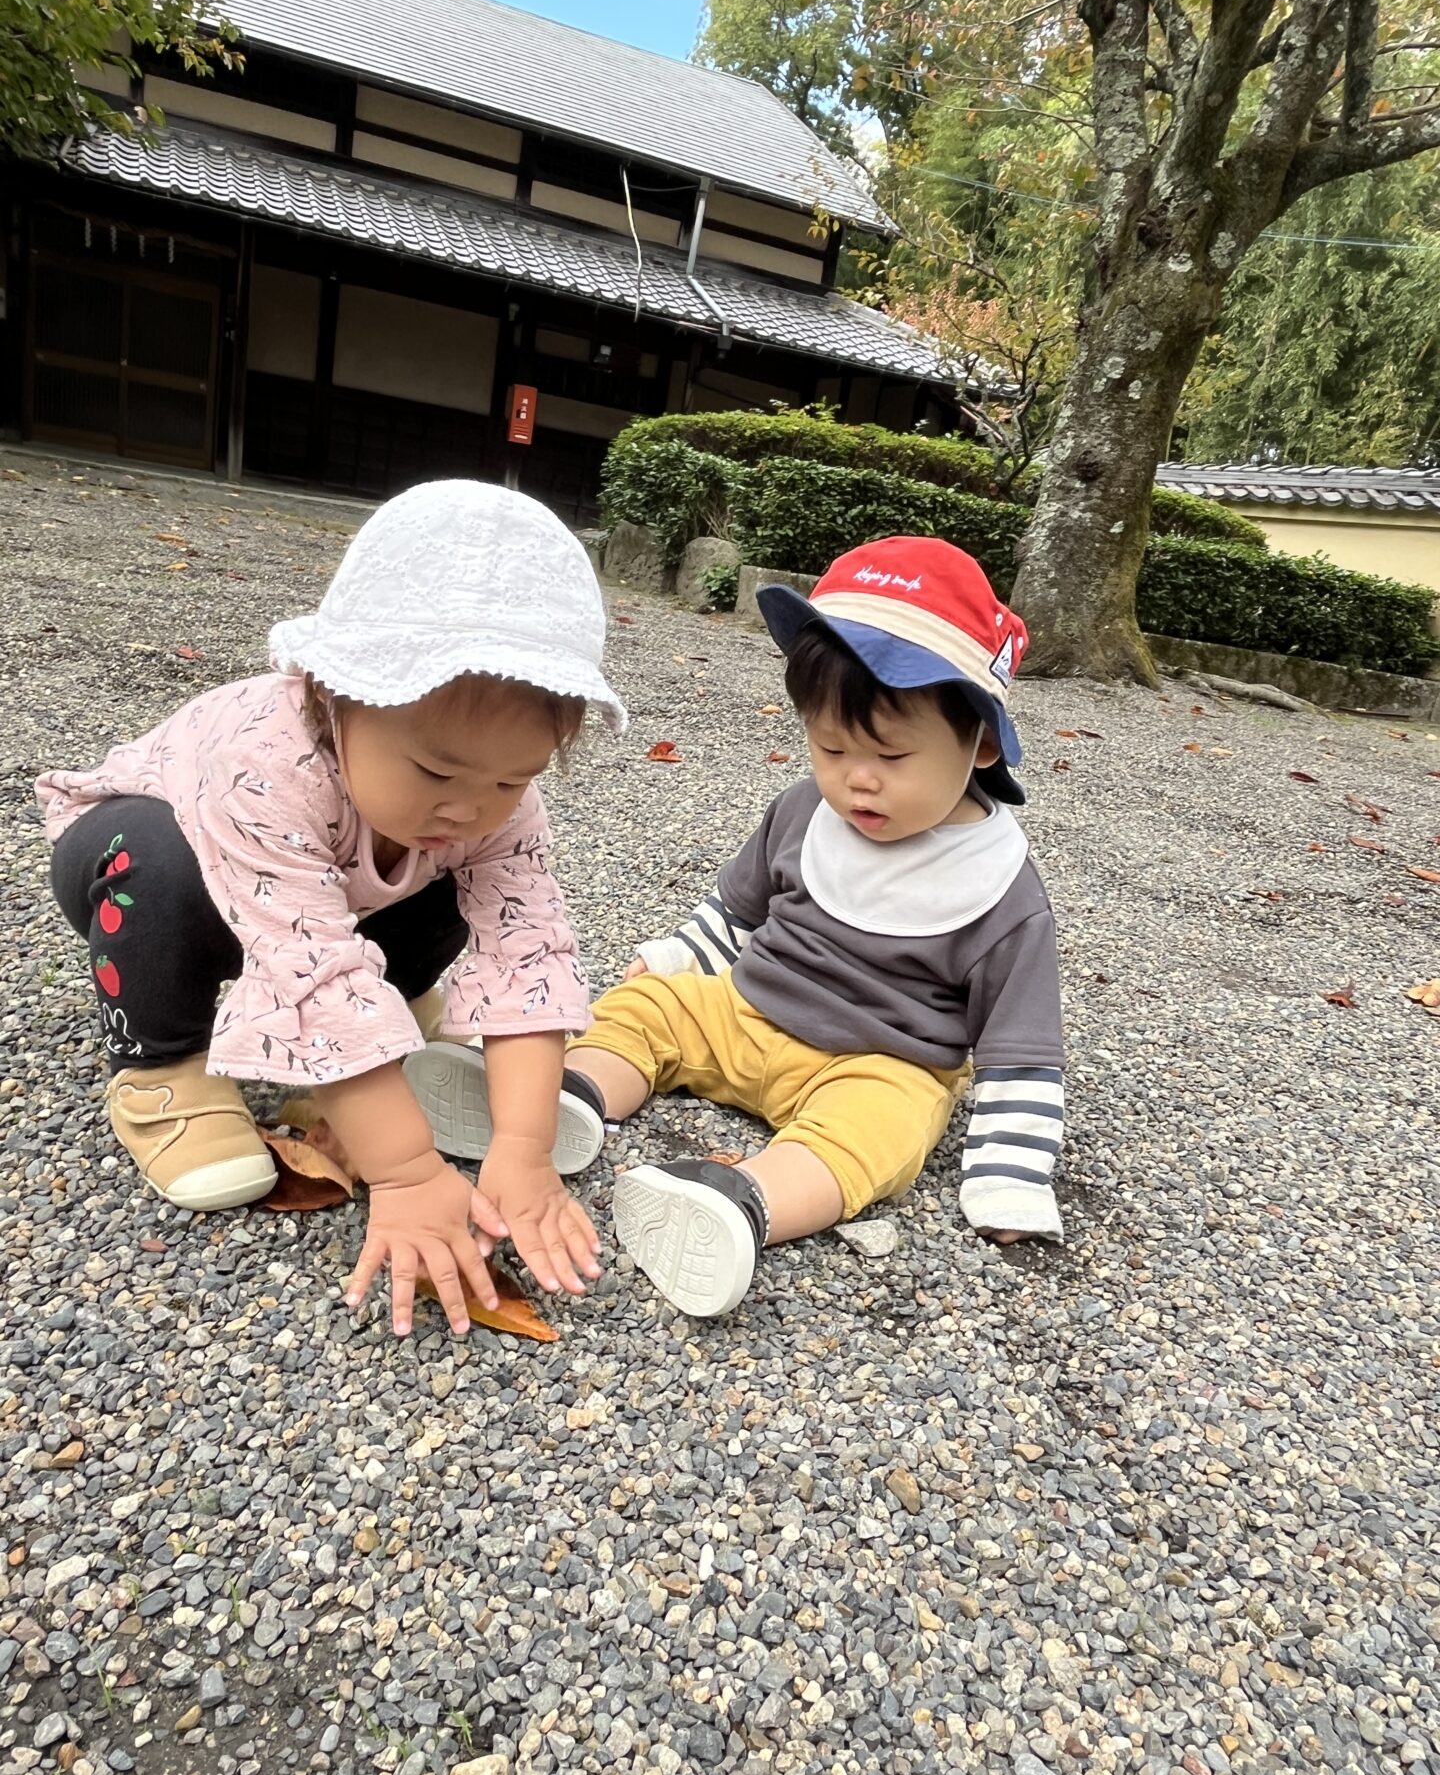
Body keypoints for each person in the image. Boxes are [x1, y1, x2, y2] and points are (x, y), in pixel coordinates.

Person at [405, 536, 1066, 1320]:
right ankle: (567, 1096)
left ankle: (744, 1200)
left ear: (980, 743)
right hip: (747, 1010)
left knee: (882, 1129)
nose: (857, 778)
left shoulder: (1001, 890)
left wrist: (1010, 1180)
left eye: (891, 756)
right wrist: (679, 957)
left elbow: (1021, 1051)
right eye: (830, 746)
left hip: (878, 1061)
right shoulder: (804, 811)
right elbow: (736, 912)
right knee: (647, 1007)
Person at [36, 480, 625, 1339]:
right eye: (436, 770)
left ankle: (382, 1025)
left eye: (512, 778)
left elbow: (525, 950)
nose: (472, 804)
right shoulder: (264, 759)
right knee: (157, 864)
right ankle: (163, 1068)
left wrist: (524, 1150)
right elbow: (303, 958)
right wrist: (406, 1169)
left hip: (340, 890)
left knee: (456, 868)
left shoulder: (489, 809)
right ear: (332, 694)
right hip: (156, 867)